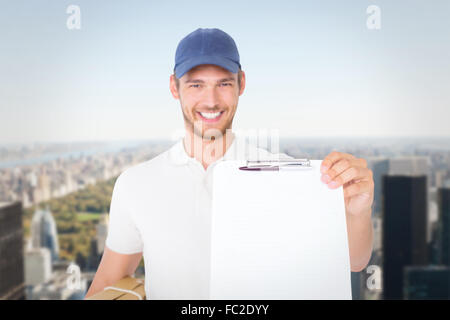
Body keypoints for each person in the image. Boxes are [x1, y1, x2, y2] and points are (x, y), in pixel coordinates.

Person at [85, 28, 374, 299]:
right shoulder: (137, 184)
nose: (210, 101)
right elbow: (109, 281)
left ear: (241, 84)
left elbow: (355, 261)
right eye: (196, 84)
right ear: (174, 87)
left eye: (223, 84)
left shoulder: (286, 175)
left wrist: (357, 212)